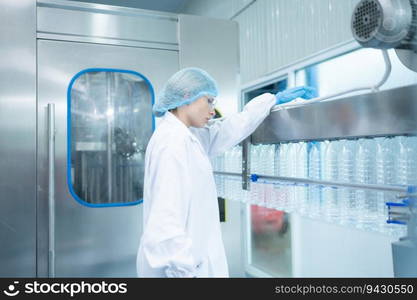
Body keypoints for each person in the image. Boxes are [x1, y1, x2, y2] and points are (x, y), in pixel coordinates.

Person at [136, 67, 316, 277]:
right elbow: (166, 223)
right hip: (181, 272)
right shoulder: (171, 144)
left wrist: (271, 100)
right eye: (209, 101)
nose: (213, 110)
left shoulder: (187, 136)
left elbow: (228, 130)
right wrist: (184, 274)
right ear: (187, 97)